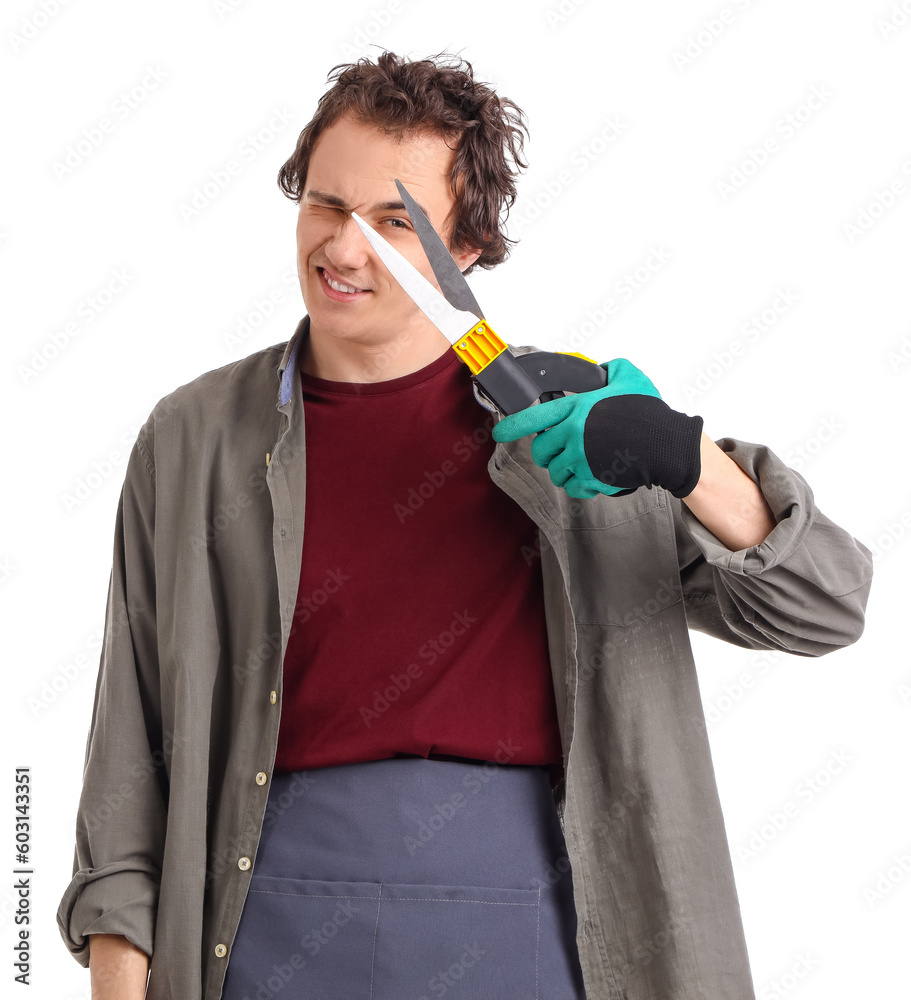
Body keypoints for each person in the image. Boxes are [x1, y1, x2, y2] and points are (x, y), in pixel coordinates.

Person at [56, 50, 873, 1000]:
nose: (345, 250)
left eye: (396, 223)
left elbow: (826, 608)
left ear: (470, 248)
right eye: (326, 205)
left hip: (535, 934)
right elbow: (129, 744)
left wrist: (687, 461)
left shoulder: (575, 428)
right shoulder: (194, 441)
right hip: (261, 928)